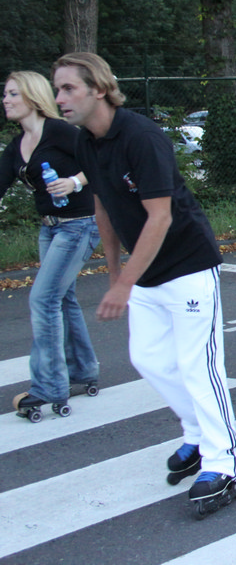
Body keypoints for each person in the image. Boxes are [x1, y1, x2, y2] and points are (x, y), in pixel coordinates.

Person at [52, 52, 236, 517]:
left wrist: (124, 285)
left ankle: (225, 464)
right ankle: (197, 435)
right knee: (148, 359)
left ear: (98, 88)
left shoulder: (141, 136)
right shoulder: (86, 142)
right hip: (146, 273)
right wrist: (114, 272)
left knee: (199, 367)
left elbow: (160, 217)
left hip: (187, 266)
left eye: (68, 88)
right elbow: (104, 207)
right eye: (57, 90)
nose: (59, 98)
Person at [2, 71, 101, 422]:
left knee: (43, 299)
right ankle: (83, 370)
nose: (6, 100)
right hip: (50, 229)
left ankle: (48, 386)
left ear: (32, 96)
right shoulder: (17, 145)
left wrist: (74, 182)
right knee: (63, 298)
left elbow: (99, 158)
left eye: (13, 93)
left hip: (79, 225)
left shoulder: (59, 131)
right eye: (5, 94)